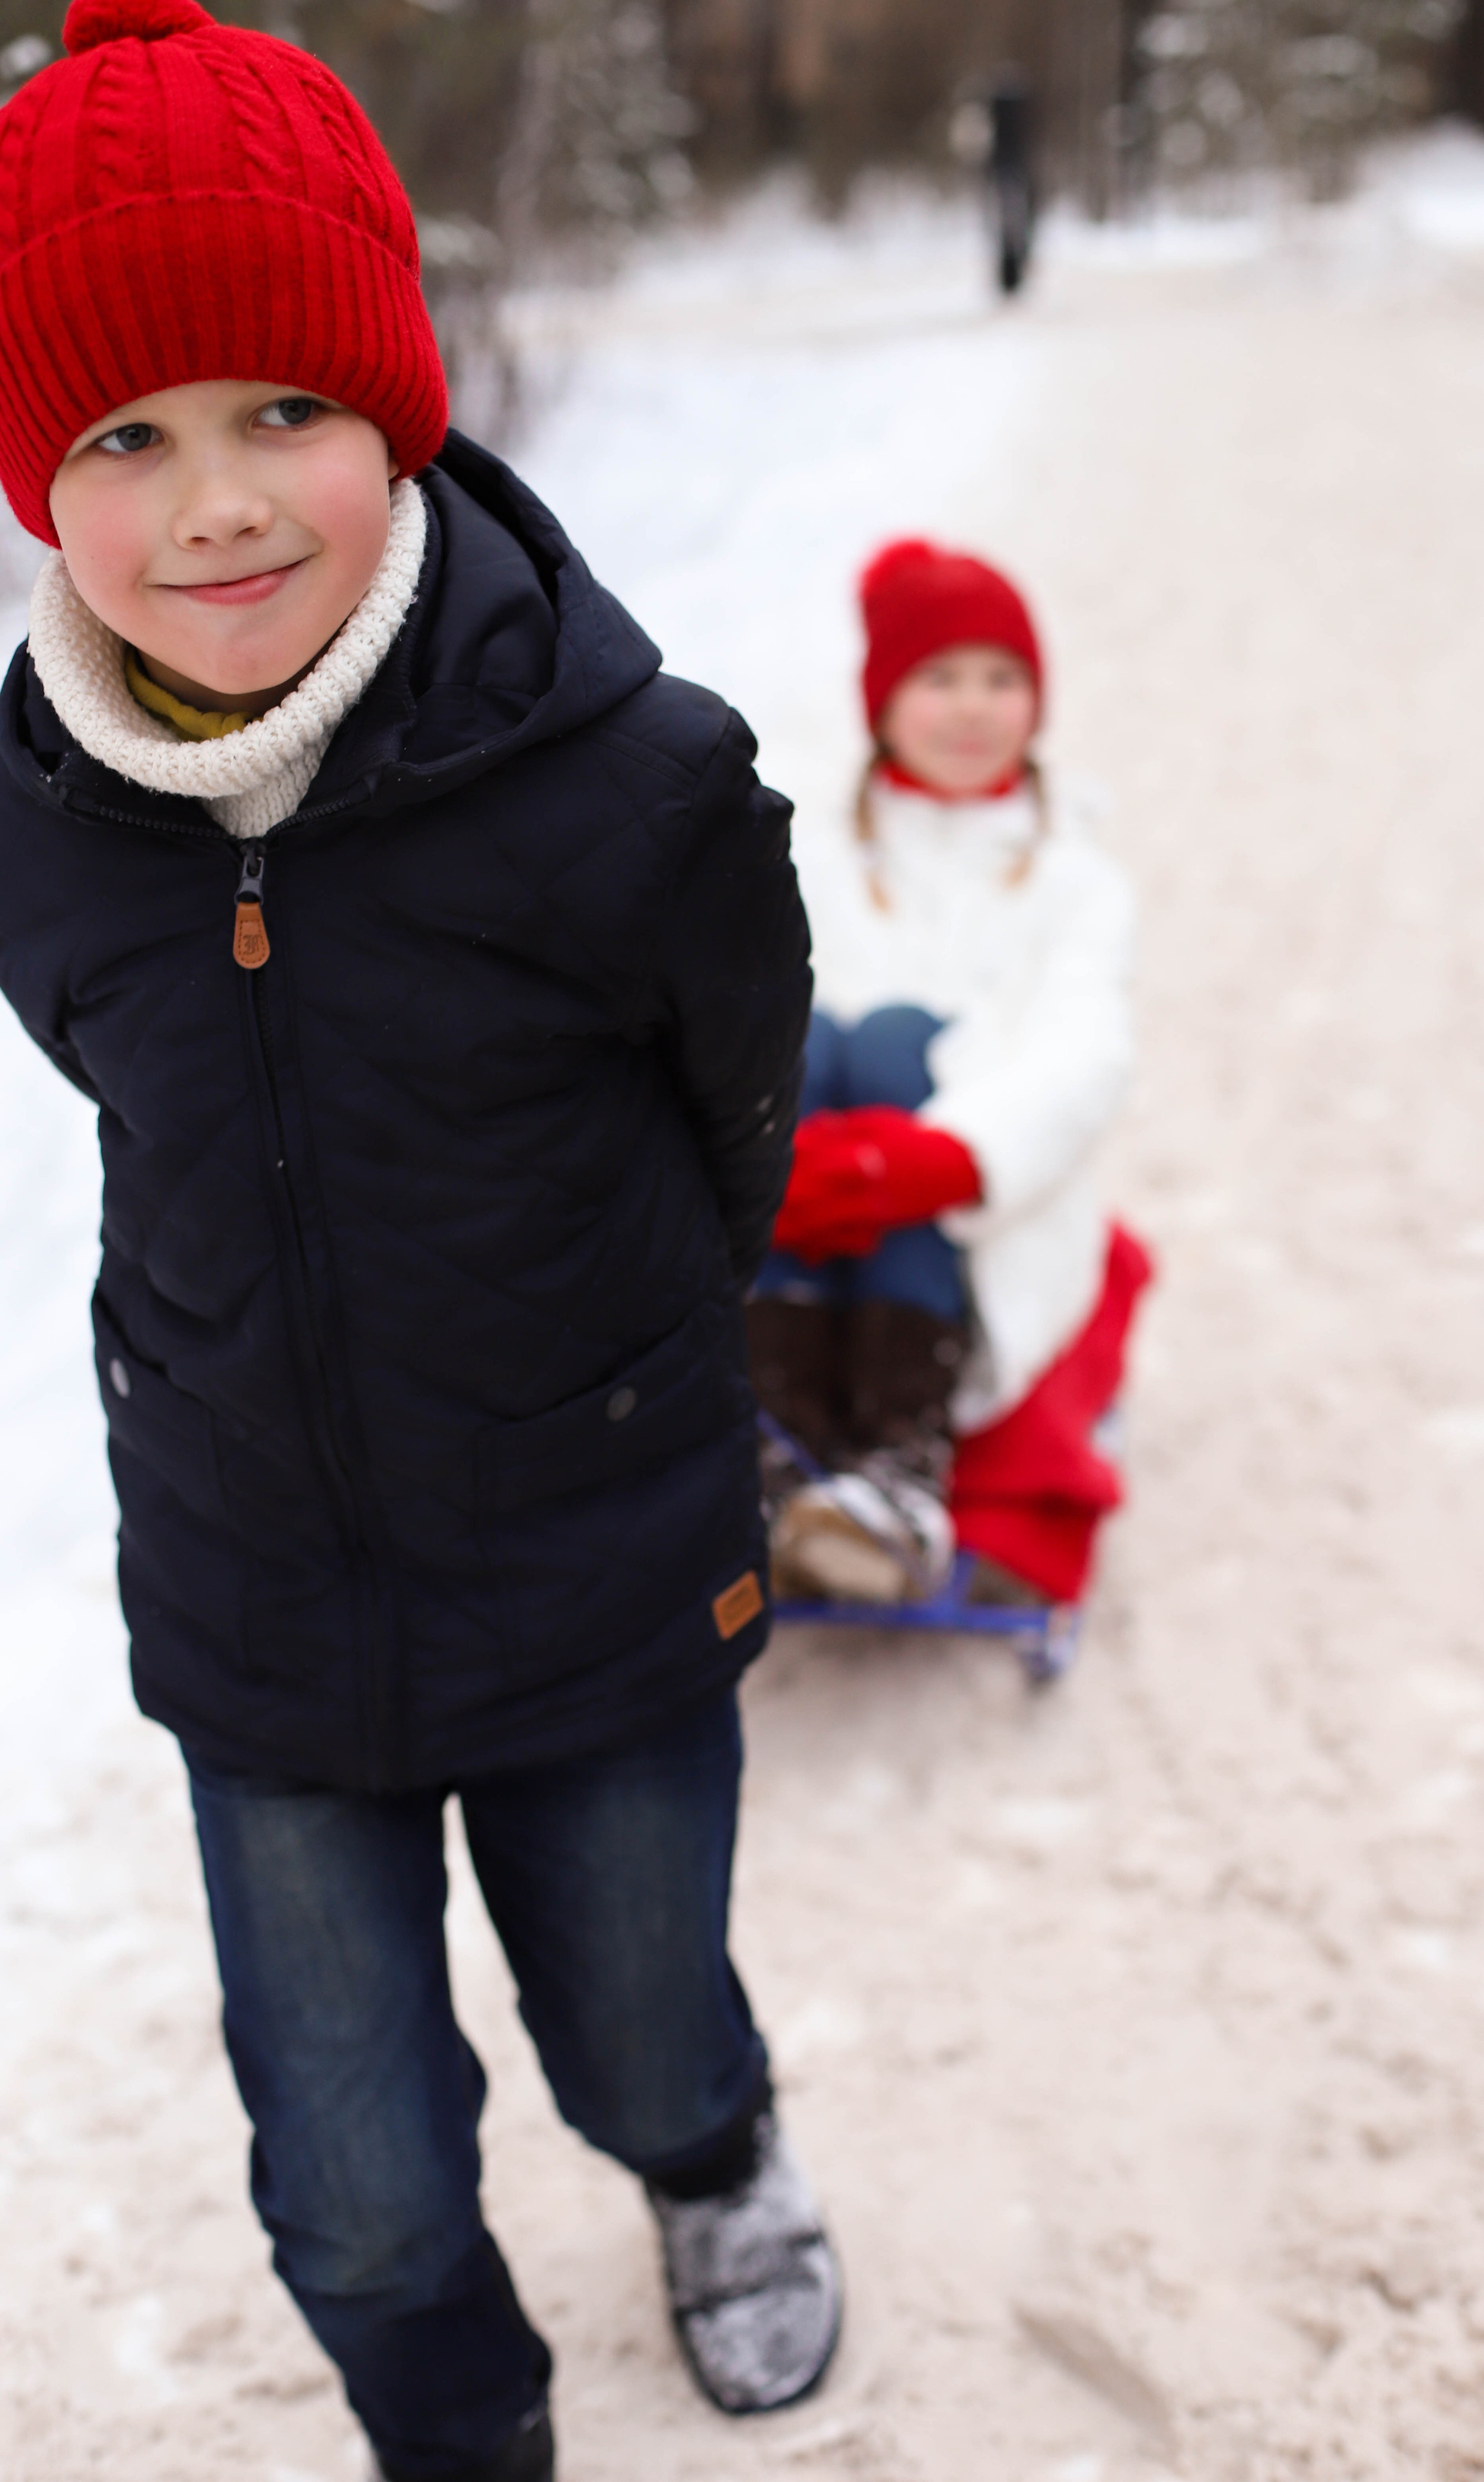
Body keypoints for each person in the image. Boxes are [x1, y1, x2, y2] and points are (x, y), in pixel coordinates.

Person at [0, 5, 836, 2477]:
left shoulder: (634, 785)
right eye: (123, 438)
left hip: (594, 1553)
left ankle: (717, 2160)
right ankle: (461, 2432)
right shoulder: (41, 822)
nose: (213, 506)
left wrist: (625, 1374)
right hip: (257, 1591)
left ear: (397, 407)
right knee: (354, 2194)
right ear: (38, 483)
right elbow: (125, 1084)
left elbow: (740, 1108)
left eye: (283, 409)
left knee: (641, 2029)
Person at [750, 536, 1150, 1610]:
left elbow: (1086, 1048)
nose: (973, 708)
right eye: (940, 678)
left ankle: (899, 1460)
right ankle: (778, 1443)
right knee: (811, 1039)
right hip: (800, 1185)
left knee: (896, 1041)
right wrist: (780, 1147)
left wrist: (937, 1159)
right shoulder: (808, 853)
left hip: (969, 1204)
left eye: (1001, 679)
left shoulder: (1073, 883)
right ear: (883, 701)